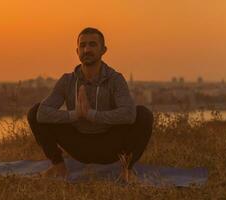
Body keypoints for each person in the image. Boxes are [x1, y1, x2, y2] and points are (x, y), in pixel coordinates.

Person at [27, 27, 153, 182]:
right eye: (83, 45)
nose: (87, 49)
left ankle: (127, 170)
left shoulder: (115, 79)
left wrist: (92, 115)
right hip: (78, 143)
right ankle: (59, 167)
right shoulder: (67, 81)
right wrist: (75, 114)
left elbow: (128, 114)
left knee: (143, 115)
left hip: (109, 145)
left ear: (103, 50)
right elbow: (42, 113)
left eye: (93, 45)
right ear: (77, 51)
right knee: (34, 112)